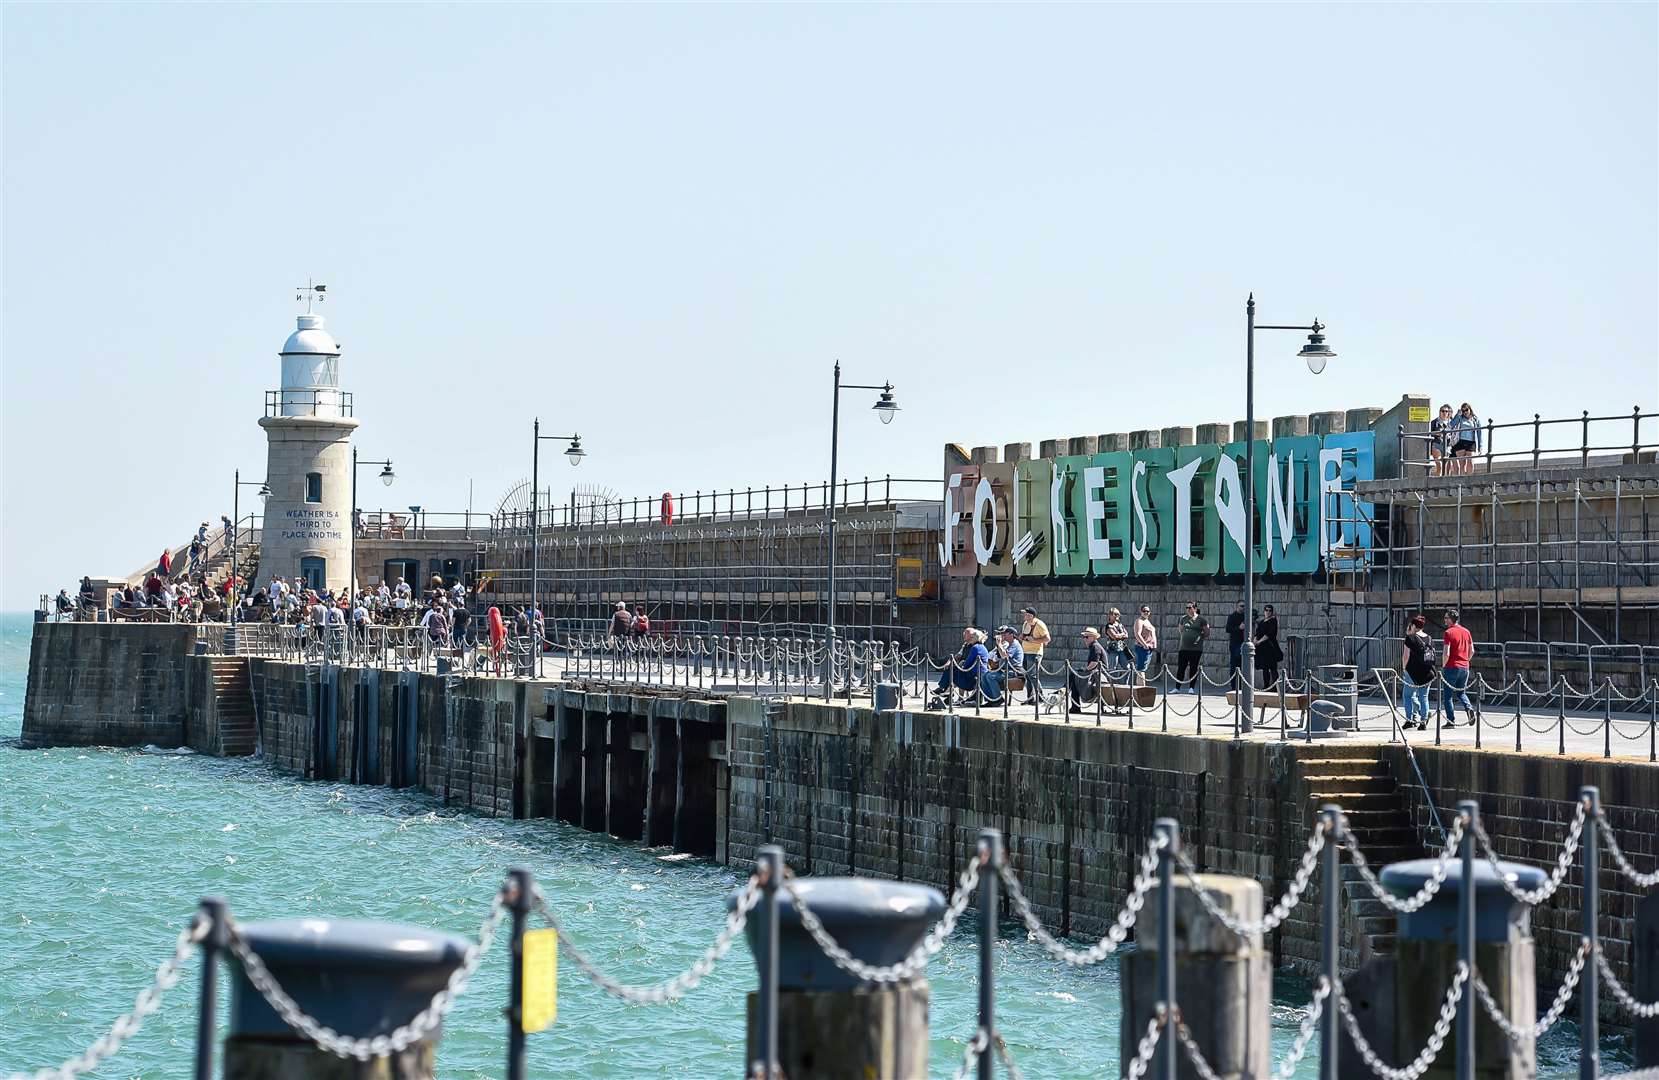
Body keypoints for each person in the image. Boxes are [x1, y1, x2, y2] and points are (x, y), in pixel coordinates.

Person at [933, 627, 990, 703]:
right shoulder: (982, 647)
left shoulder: (975, 648)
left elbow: (967, 664)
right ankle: (946, 690)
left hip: (972, 678)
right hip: (976, 675)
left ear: (976, 638)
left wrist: (961, 665)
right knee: (952, 671)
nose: (970, 639)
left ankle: (943, 689)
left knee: (951, 670)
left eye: (972, 637)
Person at [1440, 608, 1475, 727]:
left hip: (1451, 667)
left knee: (1448, 696)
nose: (1444, 620)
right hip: (1465, 667)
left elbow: (1446, 653)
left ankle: (1451, 721)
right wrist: (1465, 661)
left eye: (1446, 618)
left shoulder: (1448, 633)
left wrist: (1443, 666)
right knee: (1461, 692)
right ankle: (1468, 708)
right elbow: (1472, 651)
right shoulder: (1466, 632)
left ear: (1451, 619)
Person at [1400, 614, 1435, 730]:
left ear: (1413, 625)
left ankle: (1410, 720)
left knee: (1408, 695)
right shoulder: (1430, 638)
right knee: (1423, 697)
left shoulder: (1410, 638)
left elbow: (1406, 656)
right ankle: (1423, 722)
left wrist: (1404, 668)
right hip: (1427, 672)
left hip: (1413, 672)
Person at [1067, 627, 1109, 713]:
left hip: (1098, 675)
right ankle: (1066, 692)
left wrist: (1085, 669)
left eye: (1087, 637)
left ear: (1093, 637)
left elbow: (1094, 663)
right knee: (1074, 676)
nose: (1084, 639)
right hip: (1096, 673)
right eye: (1084, 637)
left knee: (1074, 677)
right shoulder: (1094, 646)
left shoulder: (1095, 647)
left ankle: (1073, 704)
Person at [980, 625, 1025, 705]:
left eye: (1005, 634)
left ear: (1011, 635)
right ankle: (990, 699)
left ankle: (998, 699)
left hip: (1013, 671)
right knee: (984, 676)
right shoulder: (1009, 644)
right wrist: (999, 646)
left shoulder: (1015, 644)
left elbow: (1005, 656)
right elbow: (998, 656)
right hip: (1004, 670)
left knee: (991, 676)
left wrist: (999, 644)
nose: (1003, 636)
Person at [1017, 606, 1050, 704]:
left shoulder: (1040, 624)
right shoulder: (1025, 623)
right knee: (1027, 676)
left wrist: (1034, 640)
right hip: (1025, 652)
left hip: (1035, 653)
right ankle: (1030, 698)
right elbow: (1025, 635)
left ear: (1031, 615)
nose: (1024, 616)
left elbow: (1047, 640)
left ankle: (1040, 697)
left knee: (1033, 675)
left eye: (1026, 614)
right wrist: (1022, 637)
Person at [1175, 602, 1209, 691]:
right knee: (1181, 667)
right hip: (1183, 648)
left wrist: (1198, 638)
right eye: (1187, 608)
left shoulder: (1201, 620)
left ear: (1195, 608)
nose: (1188, 609)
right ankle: (1177, 687)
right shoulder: (1183, 619)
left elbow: (1207, 632)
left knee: (1193, 668)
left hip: (1196, 649)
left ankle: (1191, 687)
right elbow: (1181, 630)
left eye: (1190, 607)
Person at [1253, 604, 1283, 689]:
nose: (1268, 612)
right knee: (1265, 668)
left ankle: (1275, 687)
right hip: (1262, 649)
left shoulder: (1273, 621)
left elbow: (1270, 634)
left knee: (1273, 668)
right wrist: (1255, 640)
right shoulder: (1262, 622)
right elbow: (1257, 632)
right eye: (1266, 610)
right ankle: (1266, 686)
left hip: (1270, 648)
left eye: (1270, 610)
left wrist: (1259, 641)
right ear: (1264, 611)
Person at [1449, 402, 1481, 476]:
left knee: (1470, 462)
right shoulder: (1460, 417)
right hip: (1460, 441)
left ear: (1470, 409)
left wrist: (1480, 446)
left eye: (1466, 410)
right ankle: (1462, 481)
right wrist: (1457, 415)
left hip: (1471, 442)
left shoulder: (1475, 419)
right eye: (1463, 411)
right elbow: (1451, 424)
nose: (1465, 412)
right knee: (1462, 463)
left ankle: (1469, 480)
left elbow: (1479, 433)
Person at [1131, 606, 1157, 684]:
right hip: (1142, 648)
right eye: (1144, 611)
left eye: (1148, 611)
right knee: (1141, 669)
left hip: (1149, 648)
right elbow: (1137, 634)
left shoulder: (1147, 621)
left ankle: (1140, 688)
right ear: (1141, 611)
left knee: (1143, 669)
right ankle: (1141, 688)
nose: (1146, 612)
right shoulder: (1139, 621)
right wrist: (1145, 644)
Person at [1224, 600, 1248, 688]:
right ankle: (1234, 686)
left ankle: (1242, 686)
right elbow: (1228, 629)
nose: (1243, 608)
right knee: (1234, 665)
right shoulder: (1232, 616)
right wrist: (1239, 628)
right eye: (1241, 606)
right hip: (1235, 644)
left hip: (1244, 643)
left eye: (1244, 606)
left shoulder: (1246, 616)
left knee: (1244, 666)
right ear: (1237, 606)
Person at [1102, 608, 1130, 679]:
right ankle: (1110, 686)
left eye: (1117, 614)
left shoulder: (1120, 625)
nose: (1115, 616)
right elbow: (1114, 636)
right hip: (1113, 649)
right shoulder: (1108, 626)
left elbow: (1126, 635)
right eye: (1114, 614)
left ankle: (1124, 686)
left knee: (1127, 668)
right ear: (1110, 615)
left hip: (1121, 648)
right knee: (1112, 669)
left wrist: (1120, 636)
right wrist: (1121, 635)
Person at [1428, 404, 1454, 477]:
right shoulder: (1435, 422)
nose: (1444, 413)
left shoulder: (1451, 423)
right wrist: (1436, 434)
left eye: (1446, 411)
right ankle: (1437, 481)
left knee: (1444, 466)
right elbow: (1429, 433)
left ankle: (1441, 481)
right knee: (1439, 464)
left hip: (1447, 446)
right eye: (1442, 411)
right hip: (1437, 444)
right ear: (1439, 412)